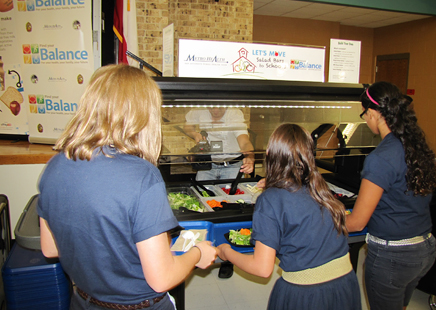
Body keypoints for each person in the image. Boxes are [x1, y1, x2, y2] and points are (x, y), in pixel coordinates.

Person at [38, 64, 217, 310]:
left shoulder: (55, 166)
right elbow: (162, 278)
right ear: (144, 114)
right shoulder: (143, 176)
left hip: (83, 302)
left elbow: (49, 248)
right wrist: (198, 253)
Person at [217, 123, 361, 309]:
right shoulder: (319, 185)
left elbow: (262, 268)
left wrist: (226, 252)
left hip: (306, 293)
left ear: (269, 153)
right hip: (345, 284)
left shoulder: (269, 200)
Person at [346, 81, 436, 310]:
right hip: (424, 248)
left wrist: (318, 218)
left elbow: (356, 223)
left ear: (374, 113)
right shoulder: (415, 145)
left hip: (392, 256)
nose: (365, 119)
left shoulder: (380, 158)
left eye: (364, 113)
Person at [184, 107, 255, 278]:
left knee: (228, 210)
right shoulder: (199, 110)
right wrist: (194, 134)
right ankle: (200, 250)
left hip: (231, 165)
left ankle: (227, 259)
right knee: (200, 205)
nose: (216, 111)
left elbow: (244, 141)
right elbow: (187, 125)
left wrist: (250, 157)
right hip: (208, 164)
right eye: (212, 107)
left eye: (220, 107)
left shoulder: (234, 114)